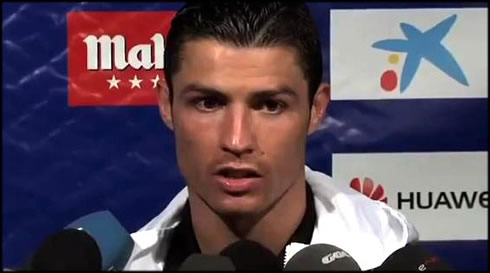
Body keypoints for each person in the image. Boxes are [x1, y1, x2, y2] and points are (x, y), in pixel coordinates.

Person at [124, 1, 418, 270]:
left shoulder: (385, 253)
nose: (237, 141)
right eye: (208, 103)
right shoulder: (126, 264)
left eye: (270, 105)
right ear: (166, 104)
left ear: (316, 109)